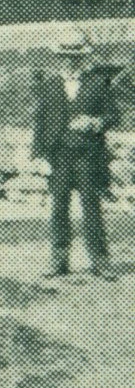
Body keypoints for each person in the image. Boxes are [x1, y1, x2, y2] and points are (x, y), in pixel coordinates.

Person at [33, 31, 119, 278]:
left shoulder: (97, 82)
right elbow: (39, 123)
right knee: (59, 209)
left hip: (88, 157)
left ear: (82, 59)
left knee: (91, 208)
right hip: (58, 158)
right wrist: (39, 156)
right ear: (58, 58)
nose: (69, 62)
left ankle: (100, 262)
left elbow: (114, 116)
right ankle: (59, 262)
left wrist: (94, 122)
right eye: (64, 57)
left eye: (74, 58)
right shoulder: (48, 85)